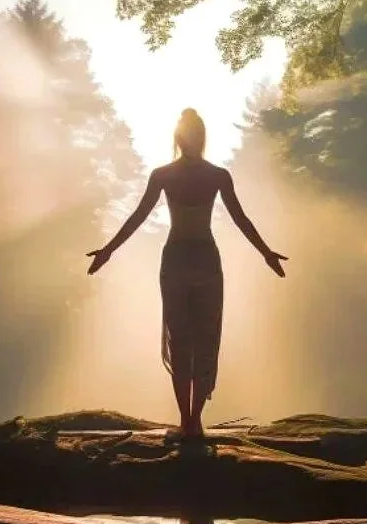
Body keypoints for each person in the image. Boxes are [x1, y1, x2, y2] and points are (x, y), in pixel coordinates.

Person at [86, 108, 287, 440]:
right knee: (194, 340)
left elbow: (239, 218)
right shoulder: (207, 175)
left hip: (185, 259)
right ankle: (189, 420)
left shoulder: (173, 175)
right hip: (196, 259)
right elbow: (141, 216)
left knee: (190, 340)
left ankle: (190, 421)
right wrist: (107, 250)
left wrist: (266, 252)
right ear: (190, 137)